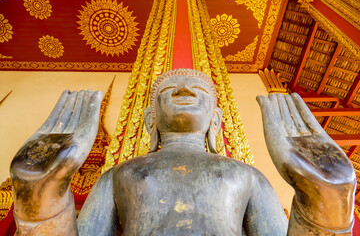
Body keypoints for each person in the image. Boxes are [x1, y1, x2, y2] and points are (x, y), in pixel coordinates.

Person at [10, 69, 356, 235]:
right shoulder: (118, 176)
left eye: (198, 91)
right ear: (150, 118)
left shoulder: (246, 175)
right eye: (170, 89)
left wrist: (323, 201)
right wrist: (42, 196)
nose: (186, 88)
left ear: (215, 120)